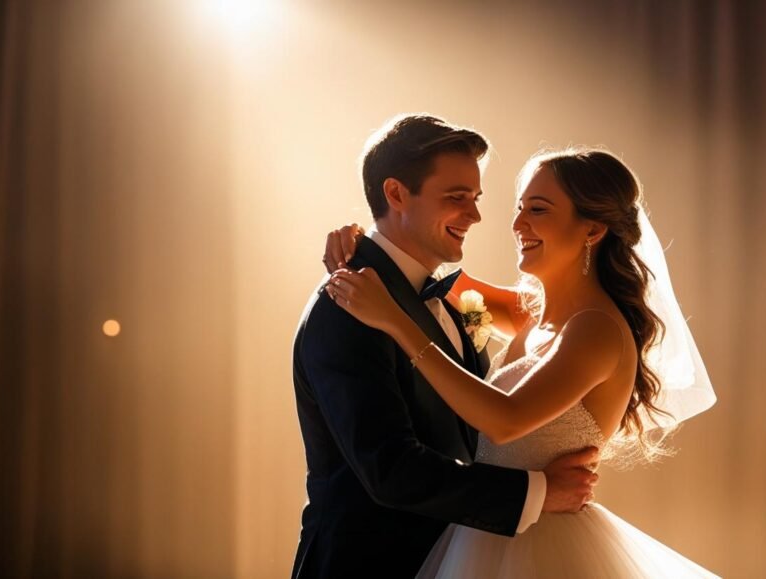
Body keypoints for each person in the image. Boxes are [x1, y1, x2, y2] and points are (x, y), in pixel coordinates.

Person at [324, 147, 718, 578]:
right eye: (519, 207)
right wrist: (361, 244)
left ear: (592, 229)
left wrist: (396, 323)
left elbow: (505, 420)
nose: (517, 224)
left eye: (538, 209)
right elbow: (427, 276)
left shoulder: (596, 330)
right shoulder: (531, 312)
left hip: (544, 547)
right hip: (486, 531)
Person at [290, 114, 600, 579]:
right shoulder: (347, 307)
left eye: (475, 198)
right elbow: (390, 470)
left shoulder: (451, 301)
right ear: (396, 194)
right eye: (457, 198)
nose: (475, 216)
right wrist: (537, 493)